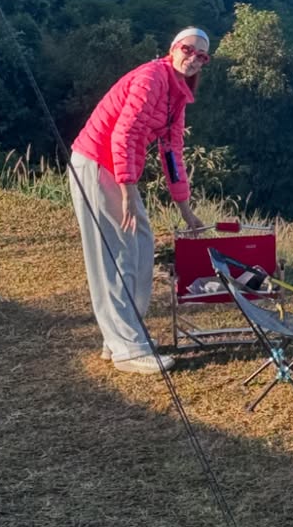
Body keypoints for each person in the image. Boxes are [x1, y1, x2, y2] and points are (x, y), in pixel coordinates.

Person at [69, 27, 210, 374]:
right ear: (173, 48)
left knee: (142, 246)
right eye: (188, 50)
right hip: (95, 163)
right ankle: (127, 349)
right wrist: (129, 192)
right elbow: (125, 134)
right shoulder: (152, 79)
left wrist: (186, 210)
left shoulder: (178, 94)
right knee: (117, 255)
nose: (193, 59)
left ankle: (121, 337)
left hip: (114, 170)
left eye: (202, 56)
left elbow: (172, 153)